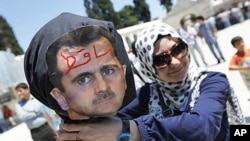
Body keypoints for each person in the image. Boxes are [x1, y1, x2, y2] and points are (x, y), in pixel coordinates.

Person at [58, 23, 245, 141]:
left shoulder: (212, 81)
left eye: (178, 49)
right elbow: (111, 118)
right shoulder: (149, 93)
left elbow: (204, 127)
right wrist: (78, 122)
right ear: (148, 66)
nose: (175, 61)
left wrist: (136, 130)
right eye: (161, 59)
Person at [24, 12, 138, 140]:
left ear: (123, 71)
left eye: (108, 71)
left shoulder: (147, 123)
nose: (103, 87)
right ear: (59, 96)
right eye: (83, 79)